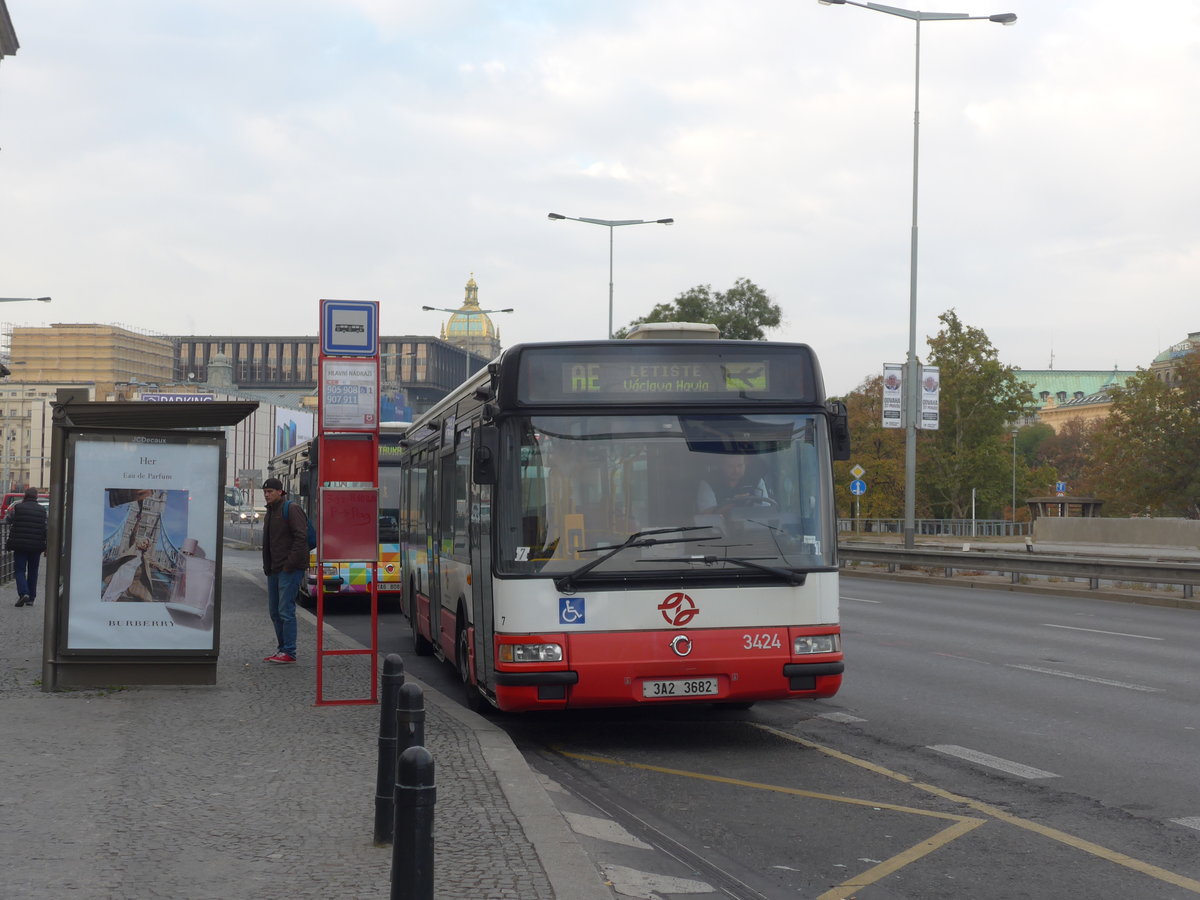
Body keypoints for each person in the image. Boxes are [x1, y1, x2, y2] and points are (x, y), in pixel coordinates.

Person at [260, 477, 309, 664]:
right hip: (273, 569)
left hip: (289, 569)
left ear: (280, 492)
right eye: (265, 492)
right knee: (274, 611)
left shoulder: (291, 509)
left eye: (270, 491)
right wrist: (268, 566)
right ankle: (282, 650)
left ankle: (289, 651)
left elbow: (300, 537)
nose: (266, 495)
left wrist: (289, 564)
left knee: (285, 610)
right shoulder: (270, 512)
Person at [8, 487, 48, 607]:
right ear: (36, 497)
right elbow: (45, 528)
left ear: (25, 495)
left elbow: (8, 519)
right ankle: (31, 598)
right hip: (36, 546)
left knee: (20, 570)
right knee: (33, 571)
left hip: (20, 545)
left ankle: (23, 593)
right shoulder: (42, 510)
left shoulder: (18, 507)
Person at [696, 455, 771, 517]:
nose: (736, 470)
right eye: (730, 466)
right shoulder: (709, 482)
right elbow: (707, 516)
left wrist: (750, 502)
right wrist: (734, 504)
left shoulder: (756, 480)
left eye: (740, 465)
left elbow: (767, 510)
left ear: (745, 464)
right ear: (721, 466)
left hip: (753, 530)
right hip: (720, 531)